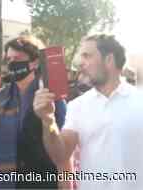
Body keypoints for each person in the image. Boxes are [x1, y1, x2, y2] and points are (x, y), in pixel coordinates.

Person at [34, 34, 143, 190]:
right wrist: (48, 120)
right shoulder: (78, 106)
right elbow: (61, 155)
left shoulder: (139, 101)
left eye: (87, 56)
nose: (81, 63)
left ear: (109, 60)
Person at [0, 35, 69, 189]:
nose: (11, 63)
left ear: (34, 62)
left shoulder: (51, 97)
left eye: (17, 58)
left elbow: (63, 153)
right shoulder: (0, 96)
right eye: (8, 59)